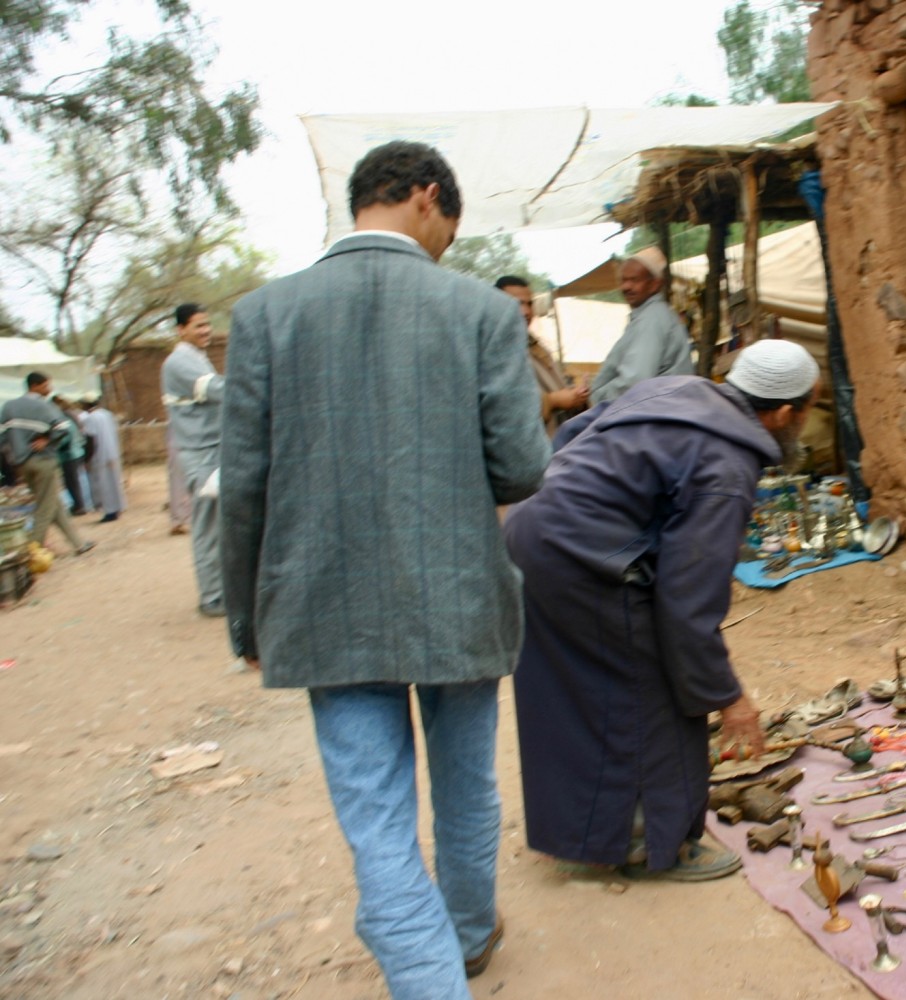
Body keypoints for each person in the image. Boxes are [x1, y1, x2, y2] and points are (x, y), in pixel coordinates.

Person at [219, 140, 550, 999]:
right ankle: (467, 936)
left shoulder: (264, 314)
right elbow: (522, 468)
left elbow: (243, 485)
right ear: (427, 198)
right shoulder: (480, 310)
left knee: (378, 825)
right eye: (451, 229)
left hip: (323, 602)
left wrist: (249, 619)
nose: (447, 244)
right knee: (466, 787)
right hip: (459, 597)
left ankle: (431, 970)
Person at [504, 339, 819, 881]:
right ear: (787, 412)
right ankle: (654, 844)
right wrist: (729, 699)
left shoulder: (676, 390)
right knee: (654, 692)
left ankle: (584, 833)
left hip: (532, 531)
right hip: (585, 558)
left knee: (574, 692)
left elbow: (574, 434)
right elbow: (688, 603)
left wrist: (579, 502)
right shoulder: (727, 464)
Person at [161, 303, 226, 615]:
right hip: (200, 452)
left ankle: (221, 589)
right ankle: (212, 597)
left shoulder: (196, 357)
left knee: (218, 523)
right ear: (181, 329)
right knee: (208, 525)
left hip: (210, 448)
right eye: (198, 325)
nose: (206, 330)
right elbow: (218, 390)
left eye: (207, 324)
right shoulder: (179, 362)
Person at [0, 373, 95, 555]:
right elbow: (63, 428)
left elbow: (2, 438)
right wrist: (47, 439)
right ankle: (32, 550)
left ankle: (78, 543)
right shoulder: (45, 406)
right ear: (34, 386)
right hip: (44, 461)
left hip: (22, 464)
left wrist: (14, 456)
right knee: (45, 507)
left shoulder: (9, 407)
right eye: (46, 386)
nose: (49, 389)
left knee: (54, 503)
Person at [587, 246, 693, 406]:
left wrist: (596, 398)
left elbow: (633, 383)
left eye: (634, 280)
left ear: (654, 284)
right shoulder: (652, 315)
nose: (626, 287)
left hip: (657, 412)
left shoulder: (652, 319)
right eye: (623, 280)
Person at [494, 274, 589, 435]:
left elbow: (556, 387)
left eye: (529, 304)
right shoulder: (494, 350)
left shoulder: (535, 346)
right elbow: (504, 409)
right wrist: (553, 401)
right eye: (517, 303)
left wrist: (576, 396)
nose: (526, 311)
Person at [81, 395, 126, 522]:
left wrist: (87, 458)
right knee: (114, 482)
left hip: (100, 455)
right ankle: (118, 507)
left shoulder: (90, 418)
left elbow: (91, 439)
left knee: (104, 484)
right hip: (112, 452)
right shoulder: (107, 414)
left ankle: (110, 511)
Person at [55, 397, 92, 516]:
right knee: (77, 479)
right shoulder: (72, 417)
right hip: (77, 451)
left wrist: (54, 445)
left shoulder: (63, 419)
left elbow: (65, 437)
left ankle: (79, 506)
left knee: (71, 482)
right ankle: (81, 504)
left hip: (69, 454)